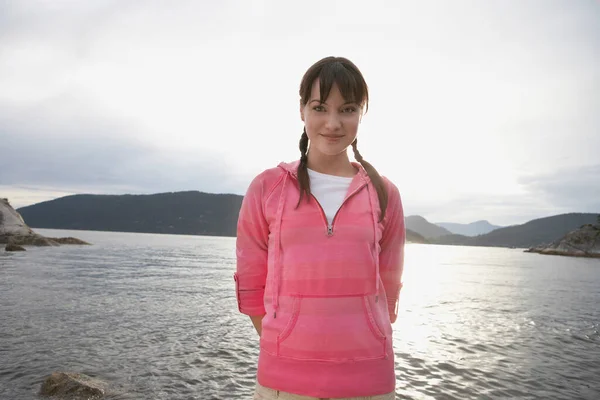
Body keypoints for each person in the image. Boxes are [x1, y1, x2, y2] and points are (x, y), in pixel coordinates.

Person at [234, 56, 405, 400]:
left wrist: (368, 335)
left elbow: (389, 286)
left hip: (369, 379)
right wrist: (284, 343)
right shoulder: (267, 187)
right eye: (320, 107)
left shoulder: (385, 192)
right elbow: (251, 284)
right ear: (302, 110)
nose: (332, 123)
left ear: (361, 113)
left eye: (347, 109)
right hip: (284, 380)